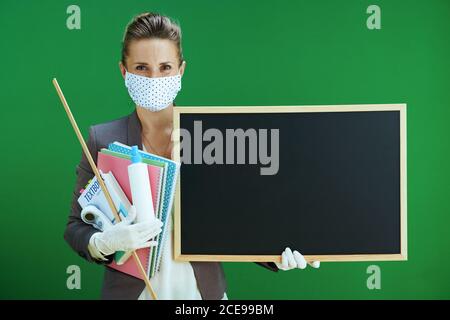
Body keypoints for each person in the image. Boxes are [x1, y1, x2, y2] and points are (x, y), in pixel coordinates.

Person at [64, 12, 319, 300]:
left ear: (181, 71)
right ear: (124, 72)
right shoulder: (102, 139)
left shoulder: (211, 138)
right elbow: (76, 227)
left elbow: (238, 224)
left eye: (165, 67)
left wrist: (277, 255)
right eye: (141, 67)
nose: (154, 77)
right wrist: (104, 242)